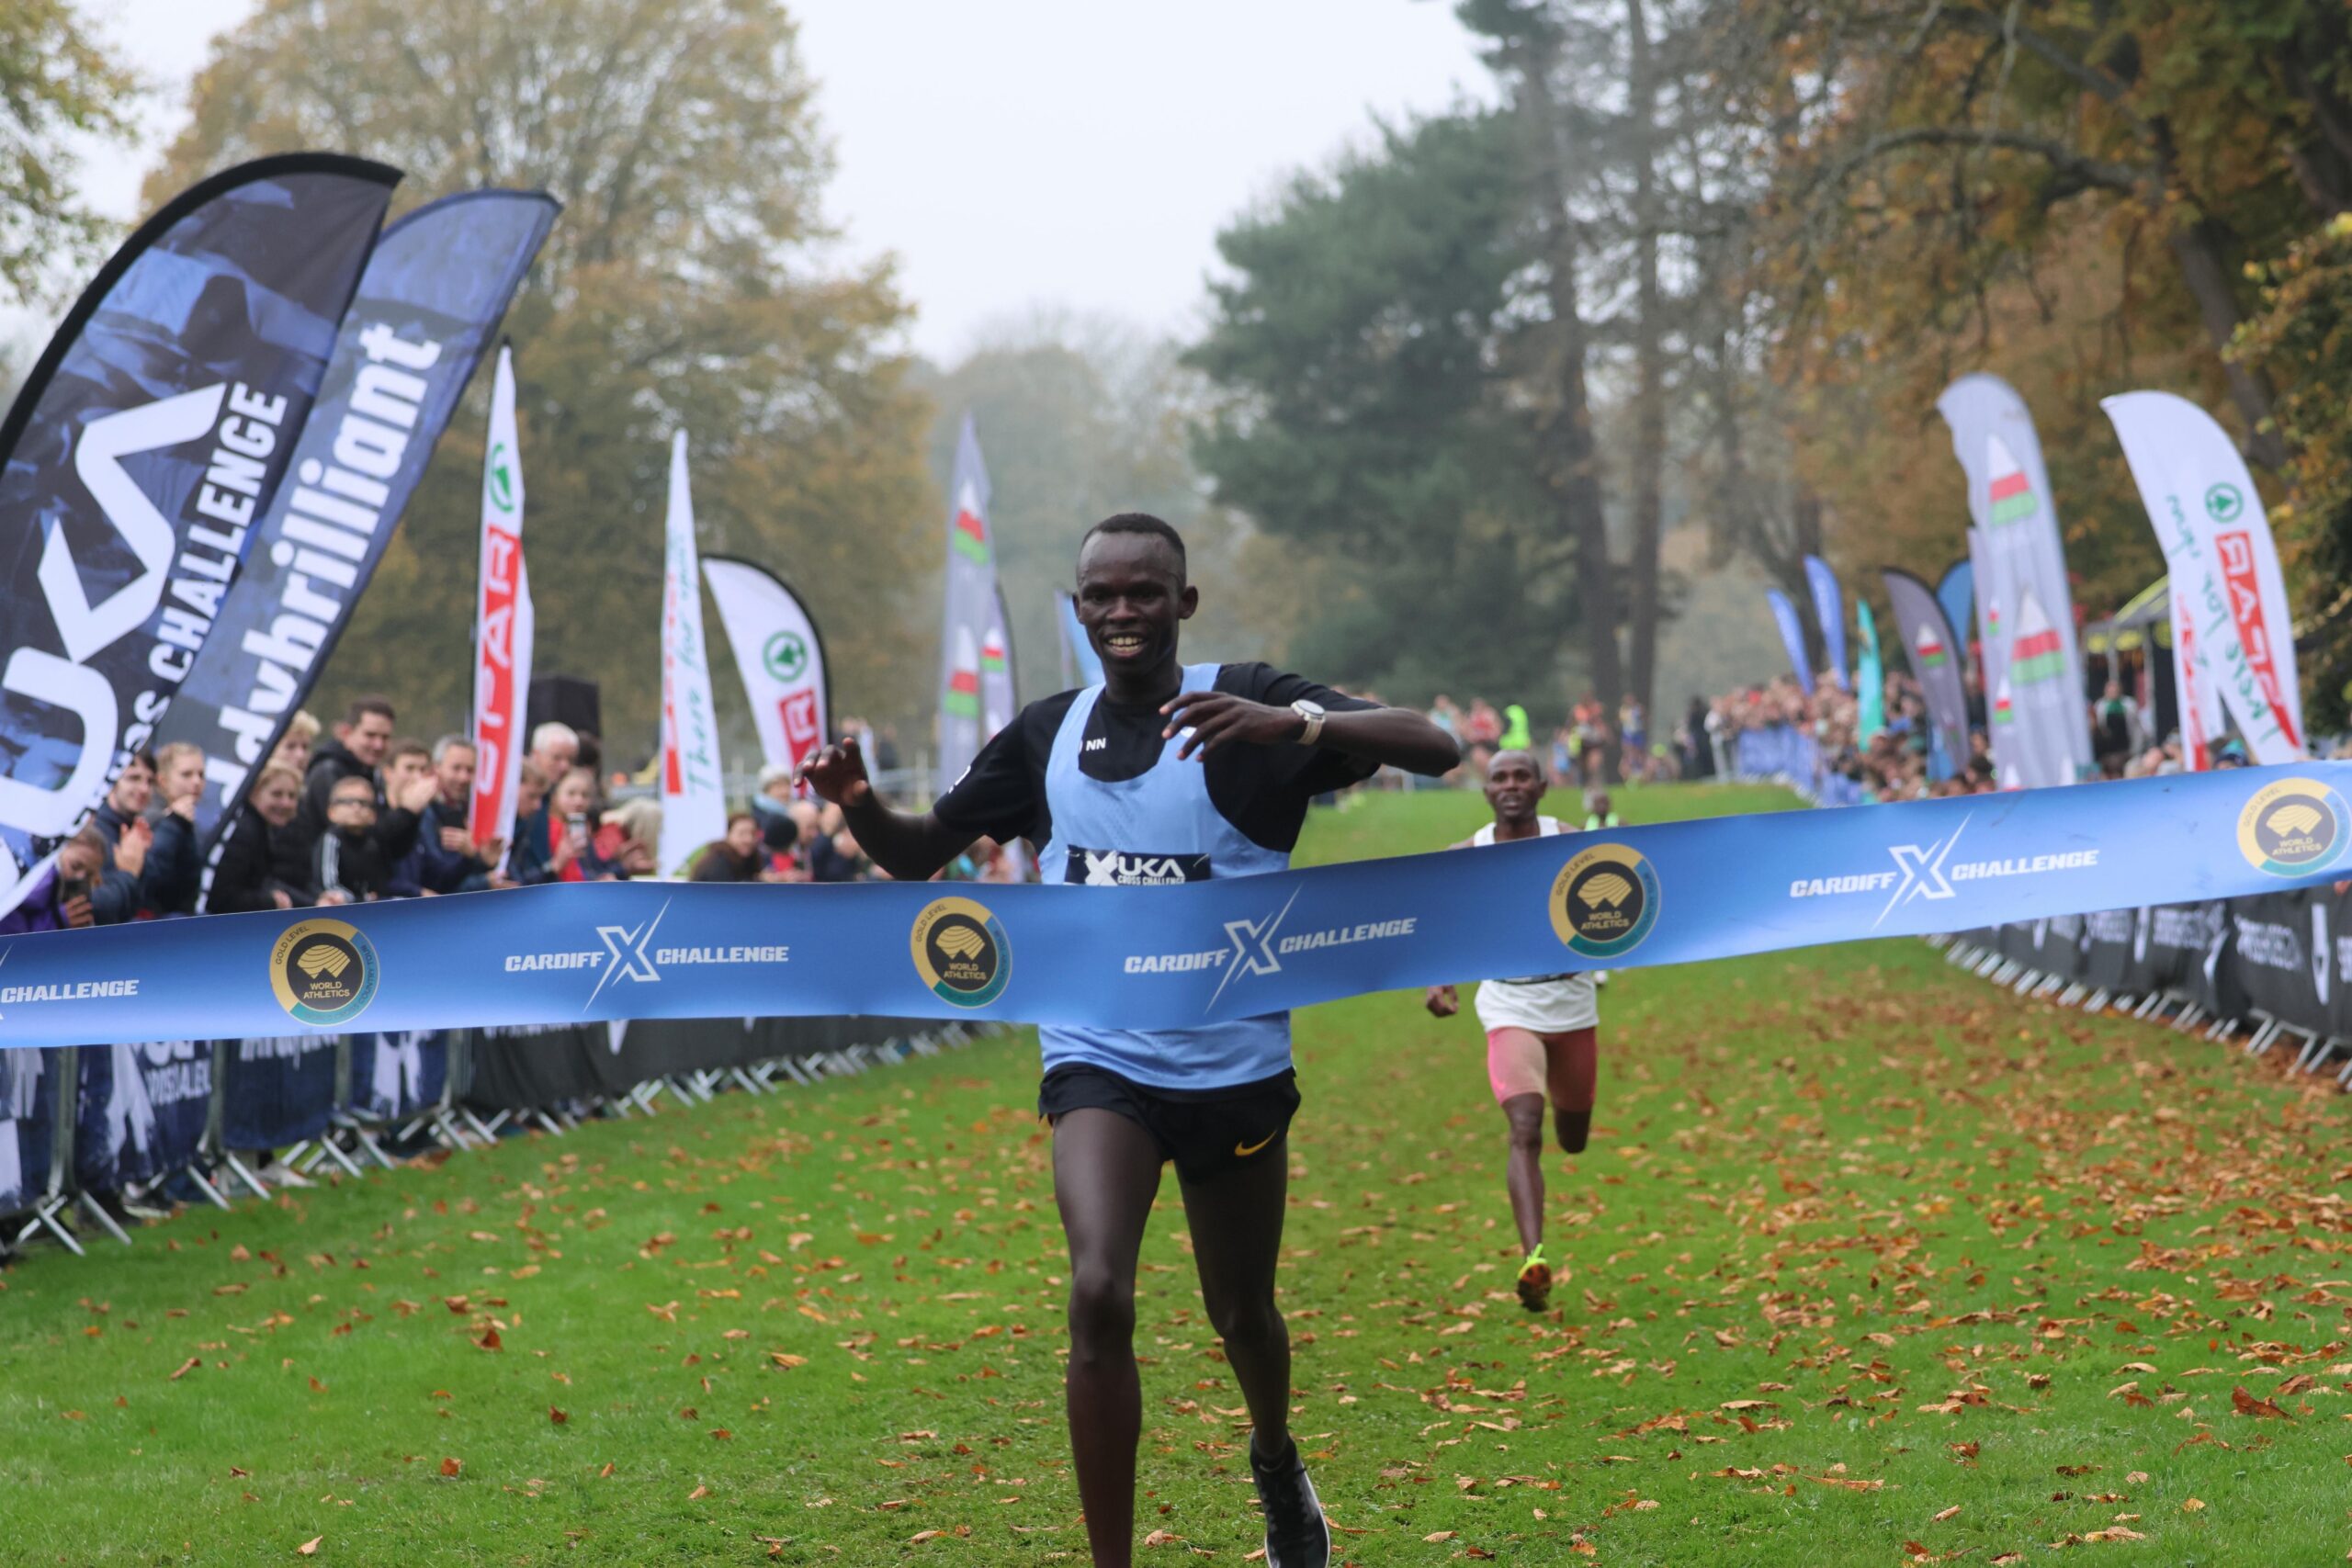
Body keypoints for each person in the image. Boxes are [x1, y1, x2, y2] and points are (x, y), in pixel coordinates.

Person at [799, 512, 1456, 1568]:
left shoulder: (1247, 703)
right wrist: (859, 801)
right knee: (1098, 1288)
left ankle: (1277, 1463)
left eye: (1142, 592)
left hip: (1235, 1067)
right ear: (1077, 607)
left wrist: (1294, 727)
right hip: (1099, 1059)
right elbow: (920, 856)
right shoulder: (1046, 734)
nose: (1120, 612)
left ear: (1182, 604)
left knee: (1242, 1313)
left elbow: (1437, 744)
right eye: (1100, 594)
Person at [1422, 750, 1600, 1315]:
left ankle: (1566, 1138)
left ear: (1543, 787)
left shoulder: (1567, 840)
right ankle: (1534, 1259)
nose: (1511, 785)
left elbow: (1616, 900)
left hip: (1572, 1002)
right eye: (1500, 778)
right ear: (1486, 792)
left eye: (1522, 775)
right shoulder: (1467, 855)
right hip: (1508, 1002)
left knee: (1572, 1137)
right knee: (1525, 1127)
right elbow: (1437, 916)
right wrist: (1437, 975)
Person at [296, 696, 397, 851]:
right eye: (370, 735)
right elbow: (354, 835)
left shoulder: (373, 772)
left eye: (385, 737)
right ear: (346, 732)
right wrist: (406, 812)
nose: (378, 745)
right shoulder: (327, 772)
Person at [210, 766, 306, 913]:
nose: (286, 803)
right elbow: (222, 898)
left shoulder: (260, 828)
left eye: (292, 796)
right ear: (253, 793)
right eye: (276, 794)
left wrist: (315, 901)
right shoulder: (243, 832)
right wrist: (269, 901)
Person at [140, 741, 209, 916]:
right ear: (163, 780)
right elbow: (150, 880)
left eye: (201, 775)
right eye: (186, 774)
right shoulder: (149, 818)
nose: (197, 782)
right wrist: (173, 822)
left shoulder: (190, 824)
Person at [0, 829, 105, 935]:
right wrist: (58, 919)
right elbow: (16, 937)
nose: (80, 877)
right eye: (75, 866)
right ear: (62, 849)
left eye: (89, 875)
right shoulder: (41, 880)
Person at [311, 775, 390, 904]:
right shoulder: (331, 839)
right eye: (347, 802)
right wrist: (360, 899)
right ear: (331, 811)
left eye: (363, 803)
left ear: (373, 814)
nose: (356, 808)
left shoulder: (374, 842)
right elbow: (329, 885)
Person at [688, 811, 766, 882]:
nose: (749, 839)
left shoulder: (749, 860)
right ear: (728, 834)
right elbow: (731, 894)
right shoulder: (719, 863)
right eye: (742, 833)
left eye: (753, 833)